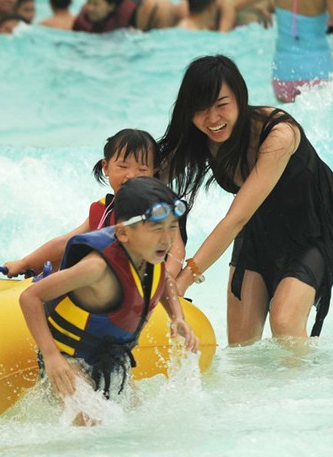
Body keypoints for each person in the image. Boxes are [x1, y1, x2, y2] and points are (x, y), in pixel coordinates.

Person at [159, 55, 333, 345]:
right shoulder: (197, 136)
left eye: (222, 105)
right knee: (241, 346)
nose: (212, 119)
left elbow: (235, 218)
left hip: (315, 227)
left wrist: (182, 282)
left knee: (285, 321)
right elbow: (148, 182)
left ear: (239, 97)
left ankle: (310, 390)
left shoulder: (278, 134)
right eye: (200, 108)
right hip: (259, 226)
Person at [19, 177, 199, 425]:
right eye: (157, 229)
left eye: (172, 227)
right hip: (69, 358)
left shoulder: (150, 256)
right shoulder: (96, 268)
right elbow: (30, 297)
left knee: (141, 419)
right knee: (90, 423)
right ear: (123, 233)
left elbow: (165, 280)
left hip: (111, 359)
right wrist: (51, 357)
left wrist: (177, 317)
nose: (167, 238)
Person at [2, 129, 186, 280]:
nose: (131, 175)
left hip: (148, 291)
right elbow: (66, 242)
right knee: (76, 250)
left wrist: (163, 285)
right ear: (106, 167)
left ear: (153, 172)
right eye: (123, 166)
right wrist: (25, 263)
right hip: (109, 290)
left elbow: (177, 249)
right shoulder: (104, 209)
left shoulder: (160, 210)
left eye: (142, 169)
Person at [73, 0, 137, 32]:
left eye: (96, 4)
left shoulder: (125, 25)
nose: (90, 8)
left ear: (111, 7)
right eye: (88, 2)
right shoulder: (84, 20)